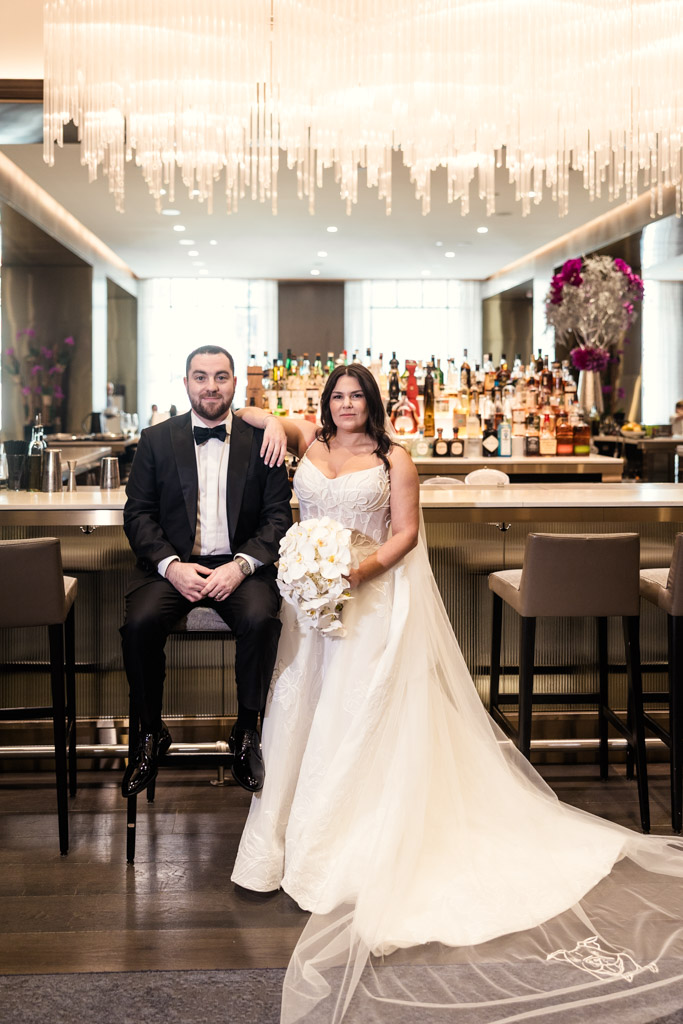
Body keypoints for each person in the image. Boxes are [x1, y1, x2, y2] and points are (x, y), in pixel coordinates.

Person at [232, 364, 683, 1024]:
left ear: (373, 404)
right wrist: (272, 419)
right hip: (309, 605)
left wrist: (354, 572)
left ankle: (346, 845)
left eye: (357, 395)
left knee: (348, 717)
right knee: (300, 710)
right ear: (324, 403)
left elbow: (406, 535)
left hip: (364, 592)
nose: (347, 403)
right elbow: (245, 412)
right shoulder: (308, 441)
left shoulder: (396, 459)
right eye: (337, 395)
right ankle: (283, 845)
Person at [120, 345, 292, 798]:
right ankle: (150, 733)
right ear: (186, 384)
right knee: (137, 625)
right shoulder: (156, 439)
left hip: (241, 568)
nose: (210, 386)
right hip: (172, 569)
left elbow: (278, 518)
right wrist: (172, 567)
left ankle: (246, 731)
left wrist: (241, 566)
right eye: (200, 377)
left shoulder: (262, 441)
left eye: (220, 377)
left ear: (235, 384)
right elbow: (137, 515)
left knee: (262, 619)